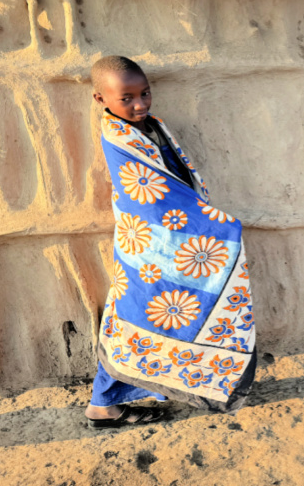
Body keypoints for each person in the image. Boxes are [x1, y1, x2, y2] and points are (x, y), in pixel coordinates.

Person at [85, 56, 256, 428]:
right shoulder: (119, 139)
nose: (140, 104)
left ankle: (106, 403)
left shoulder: (152, 126)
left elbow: (176, 182)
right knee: (138, 316)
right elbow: (148, 197)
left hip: (169, 239)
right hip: (148, 243)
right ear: (101, 100)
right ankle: (103, 403)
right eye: (126, 98)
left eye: (144, 93)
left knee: (142, 318)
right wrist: (217, 226)